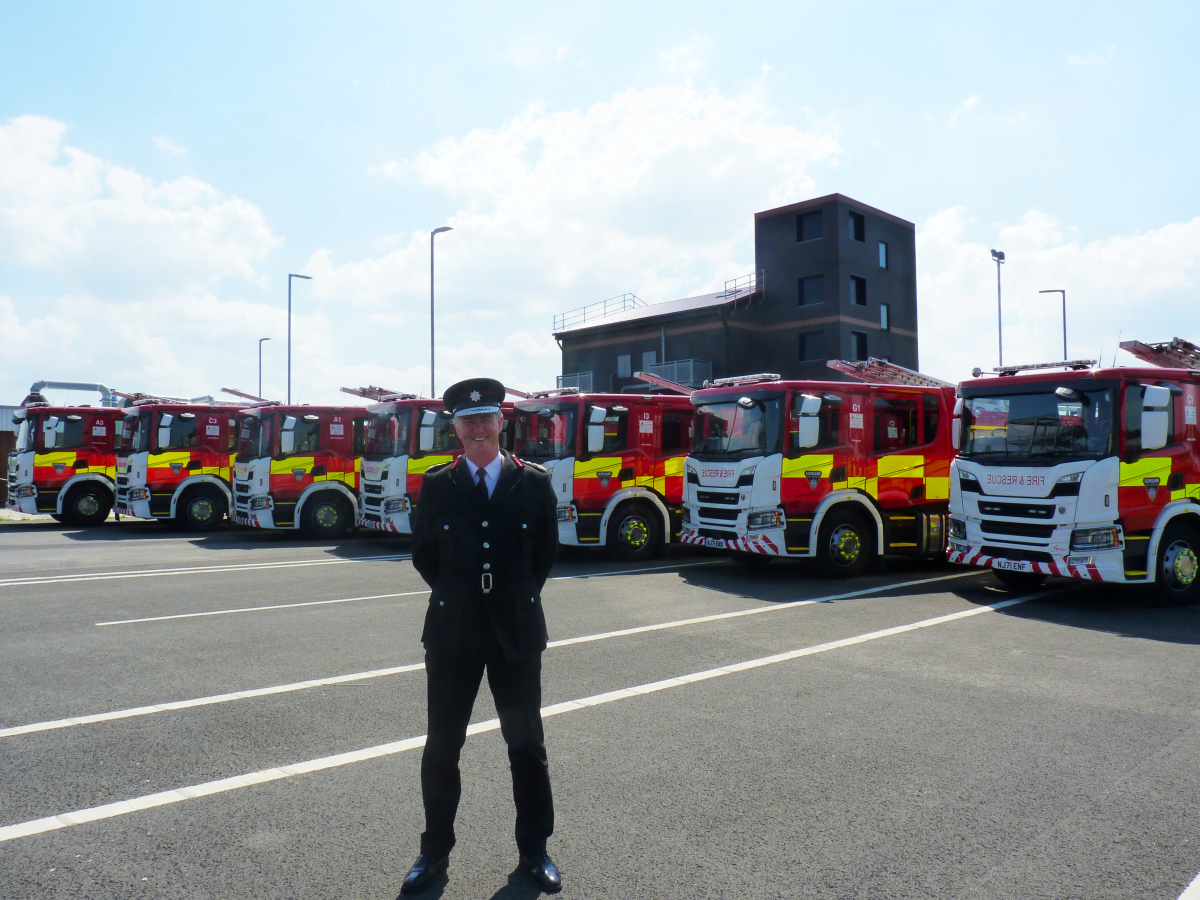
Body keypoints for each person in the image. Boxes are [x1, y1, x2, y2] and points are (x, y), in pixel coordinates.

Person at [400, 377, 562, 895]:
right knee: (442, 748)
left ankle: (535, 852)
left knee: (526, 746)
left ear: (501, 422)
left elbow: (544, 556)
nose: (476, 428)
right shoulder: (439, 484)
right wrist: (464, 596)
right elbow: (425, 556)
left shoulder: (533, 482)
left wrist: (509, 598)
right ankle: (434, 853)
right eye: (466, 421)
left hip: (514, 633)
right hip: (453, 635)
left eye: (485, 418)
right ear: (456, 427)